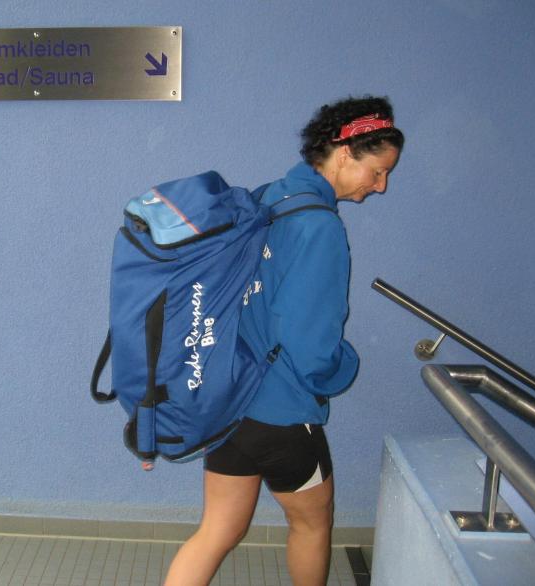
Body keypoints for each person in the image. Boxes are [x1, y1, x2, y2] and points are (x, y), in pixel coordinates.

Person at [164, 96, 404, 586]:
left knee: (216, 530)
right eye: (377, 171)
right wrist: (343, 367)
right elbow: (310, 344)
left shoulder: (265, 199)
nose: (380, 185)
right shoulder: (320, 227)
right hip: (282, 410)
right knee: (312, 525)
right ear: (344, 153)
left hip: (228, 401)